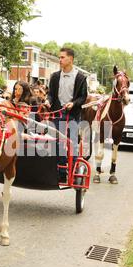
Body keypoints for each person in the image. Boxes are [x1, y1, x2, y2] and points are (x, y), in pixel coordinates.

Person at [44, 48, 88, 183]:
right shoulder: (55, 76)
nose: (60, 60)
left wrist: (73, 103)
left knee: (72, 144)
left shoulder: (80, 78)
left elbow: (83, 97)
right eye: (60, 57)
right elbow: (51, 94)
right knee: (57, 143)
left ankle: (74, 172)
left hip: (73, 115)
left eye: (62, 57)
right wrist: (47, 100)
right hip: (57, 113)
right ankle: (61, 171)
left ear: (71, 59)